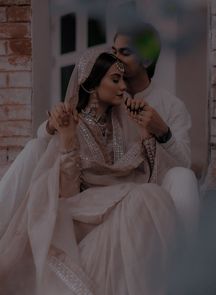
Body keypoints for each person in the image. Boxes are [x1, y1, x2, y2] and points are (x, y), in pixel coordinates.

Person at [0, 49, 179, 295]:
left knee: (150, 196)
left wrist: (147, 135)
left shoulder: (123, 125)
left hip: (120, 206)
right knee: (144, 197)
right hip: (82, 214)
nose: (123, 87)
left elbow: (149, 179)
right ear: (91, 85)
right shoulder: (72, 122)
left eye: (124, 80)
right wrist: (67, 138)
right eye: (115, 80)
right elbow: (67, 191)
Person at [111, 21, 199, 236]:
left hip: (157, 188)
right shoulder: (106, 96)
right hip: (114, 185)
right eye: (113, 52)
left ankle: (188, 261)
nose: (116, 59)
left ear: (147, 59)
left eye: (125, 52)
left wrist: (163, 131)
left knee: (183, 176)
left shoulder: (172, 105)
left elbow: (185, 162)